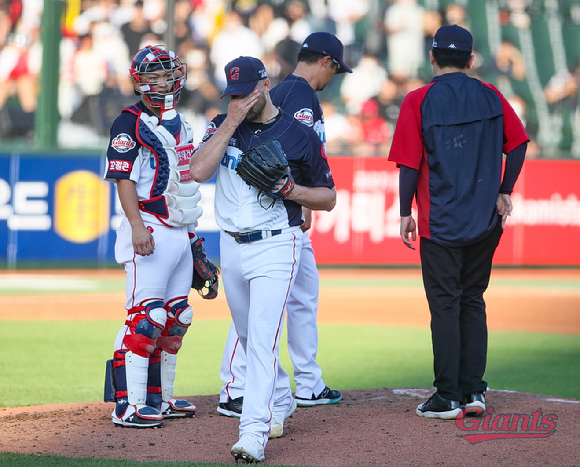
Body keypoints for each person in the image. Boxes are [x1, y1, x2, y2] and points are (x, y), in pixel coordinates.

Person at [189, 56, 336, 463]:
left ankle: (253, 433)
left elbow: (328, 196)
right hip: (232, 245)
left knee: (262, 338)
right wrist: (232, 121)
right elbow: (198, 170)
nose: (238, 100)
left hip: (276, 244)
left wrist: (293, 191)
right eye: (232, 94)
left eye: (245, 93)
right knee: (250, 337)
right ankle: (282, 395)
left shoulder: (298, 133)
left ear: (265, 86)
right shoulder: (222, 126)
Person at [388, 25, 529, 420]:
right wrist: (505, 189)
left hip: (440, 222)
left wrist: (405, 212)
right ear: (470, 59)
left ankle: (447, 395)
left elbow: (409, 164)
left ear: (432, 58)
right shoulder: (490, 95)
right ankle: (474, 393)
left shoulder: (419, 100)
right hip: (485, 220)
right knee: (472, 300)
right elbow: (518, 143)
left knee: (445, 305)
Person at [217, 31, 351, 418]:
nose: (333, 78)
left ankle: (302, 382)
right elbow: (288, 155)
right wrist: (301, 199)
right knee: (263, 305)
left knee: (290, 297)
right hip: (278, 216)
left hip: (287, 208)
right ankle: (239, 385)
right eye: (335, 69)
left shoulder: (288, 92)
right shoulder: (302, 94)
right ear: (326, 61)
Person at [103, 45, 206, 428]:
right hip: (148, 227)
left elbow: (183, 186)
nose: (162, 81)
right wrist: (135, 226)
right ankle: (127, 406)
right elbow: (123, 178)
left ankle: (160, 399)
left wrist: (194, 240)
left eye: (167, 74)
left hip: (179, 230)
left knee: (178, 316)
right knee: (146, 318)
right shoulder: (128, 122)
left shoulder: (184, 123)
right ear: (139, 81)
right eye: (154, 75)